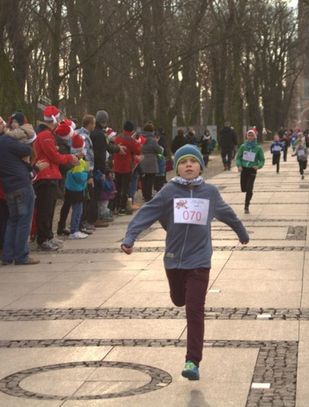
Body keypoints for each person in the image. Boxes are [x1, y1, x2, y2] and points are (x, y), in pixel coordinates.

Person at [121, 144, 249, 381]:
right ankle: (179, 295)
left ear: (200, 166)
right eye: (183, 162)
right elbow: (147, 212)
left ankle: (193, 361)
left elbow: (227, 214)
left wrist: (241, 232)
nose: (188, 165)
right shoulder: (168, 192)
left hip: (200, 260)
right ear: (177, 168)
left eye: (193, 161)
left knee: (194, 309)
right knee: (179, 299)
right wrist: (130, 237)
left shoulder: (210, 193)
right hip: (174, 260)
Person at [0, 114, 39, 265]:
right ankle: (21, 255)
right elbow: (26, 149)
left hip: (7, 185)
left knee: (13, 220)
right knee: (24, 220)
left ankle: (7, 255)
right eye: (0, 123)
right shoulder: (5, 140)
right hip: (21, 183)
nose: (4, 124)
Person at [33, 106, 78, 251]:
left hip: (49, 175)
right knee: (45, 209)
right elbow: (54, 156)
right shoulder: (46, 135)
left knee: (49, 209)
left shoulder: (46, 134)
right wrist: (70, 157)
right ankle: (43, 238)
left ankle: (48, 236)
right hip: (46, 176)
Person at [112, 121, 141, 215]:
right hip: (126, 167)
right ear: (132, 130)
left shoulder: (117, 138)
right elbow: (138, 151)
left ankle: (116, 206)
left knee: (118, 187)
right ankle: (122, 207)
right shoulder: (130, 140)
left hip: (116, 166)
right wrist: (137, 142)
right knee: (125, 188)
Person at [64, 133, 89, 239]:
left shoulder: (70, 157)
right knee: (78, 210)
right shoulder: (78, 161)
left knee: (76, 210)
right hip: (77, 188)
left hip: (70, 187)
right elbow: (80, 177)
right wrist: (86, 173)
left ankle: (75, 229)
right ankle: (74, 230)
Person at [235, 129, 265, 214]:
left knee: (249, 188)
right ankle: (249, 195)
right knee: (244, 188)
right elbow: (238, 158)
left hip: (252, 169)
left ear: (254, 137)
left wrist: (258, 166)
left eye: (252, 135)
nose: (250, 137)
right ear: (246, 136)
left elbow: (262, 160)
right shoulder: (243, 146)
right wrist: (239, 165)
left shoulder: (258, 148)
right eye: (249, 135)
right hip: (244, 169)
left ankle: (246, 206)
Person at [140, 122, 163, 202]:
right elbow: (159, 150)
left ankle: (144, 194)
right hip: (151, 161)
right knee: (150, 179)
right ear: (152, 130)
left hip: (142, 160)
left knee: (144, 179)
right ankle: (148, 196)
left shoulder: (141, 138)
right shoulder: (153, 140)